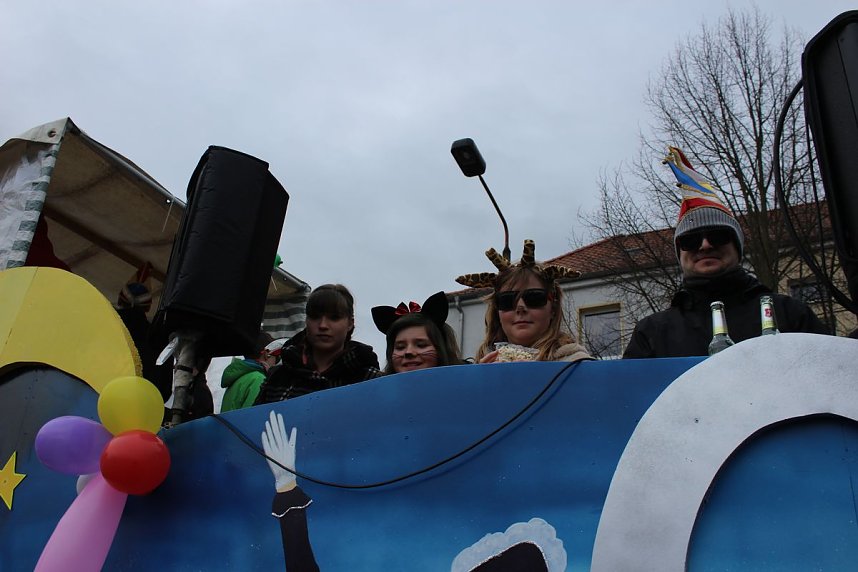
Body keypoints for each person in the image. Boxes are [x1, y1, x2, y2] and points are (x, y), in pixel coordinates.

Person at [623, 147, 830, 359]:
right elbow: (627, 389)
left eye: (718, 236)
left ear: (737, 247)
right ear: (680, 254)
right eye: (690, 241)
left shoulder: (789, 313)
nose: (704, 245)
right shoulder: (652, 333)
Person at [456, 240, 591, 363]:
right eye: (507, 300)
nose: (520, 307)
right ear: (497, 311)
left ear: (553, 309)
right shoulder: (479, 367)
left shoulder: (577, 365)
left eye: (534, 298)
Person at [254, 284, 381, 404]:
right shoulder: (278, 376)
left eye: (334, 318)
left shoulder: (369, 379)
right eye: (315, 317)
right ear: (306, 320)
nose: (323, 325)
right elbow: (256, 423)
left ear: (350, 323)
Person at [372, 291, 463, 374]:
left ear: (441, 349)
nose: (409, 352)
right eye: (400, 347)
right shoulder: (376, 391)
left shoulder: (470, 387)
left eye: (421, 345)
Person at [220, 332, 279, 412]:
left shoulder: (240, 375)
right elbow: (252, 417)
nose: (276, 362)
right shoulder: (259, 379)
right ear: (266, 354)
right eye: (276, 357)